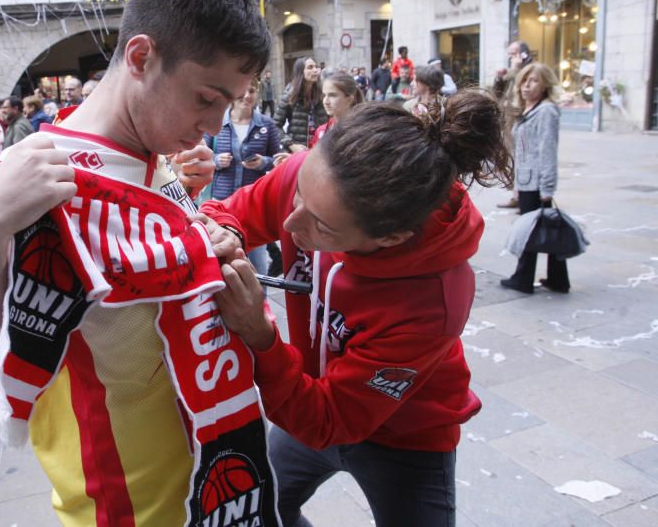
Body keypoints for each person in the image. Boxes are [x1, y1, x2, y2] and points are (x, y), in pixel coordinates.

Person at [0, 0, 282, 525]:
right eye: (205, 98)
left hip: (211, 491)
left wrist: (200, 234)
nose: (215, 125)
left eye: (228, 103)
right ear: (142, 58)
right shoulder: (33, 179)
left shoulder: (155, 153)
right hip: (119, 511)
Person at [202, 89, 514, 527]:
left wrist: (260, 336)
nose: (290, 226)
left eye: (322, 226)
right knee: (260, 507)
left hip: (406, 436)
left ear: (391, 238)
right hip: (306, 398)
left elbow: (332, 420)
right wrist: (224, 232)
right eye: (297, 197)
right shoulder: (315, 181)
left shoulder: (432, 300)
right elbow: (228, 211)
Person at [500, 63, 568, 295]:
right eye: (524, 80)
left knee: (531, 231)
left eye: (534, 81)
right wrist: (517, 185)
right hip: (527, 181)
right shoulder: (529, 109)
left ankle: (523, 279)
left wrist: (547, 188)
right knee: (545, 229)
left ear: (546, 84)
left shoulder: (546, 111)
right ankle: (558, 279)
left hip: (537, 183)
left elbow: (547, 150)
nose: (526, 86)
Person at [205, 77, 281, 276]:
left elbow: (277, 159)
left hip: (252, 208)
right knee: (222, 268)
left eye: (253, 92)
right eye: (243, 91)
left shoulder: (266, 124)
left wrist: (263, 162)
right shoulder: (217, 121)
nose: (247, 96)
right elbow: (201, 153)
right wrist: (215, 160)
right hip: (222, 204)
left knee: (257, 270)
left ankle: (261, 305)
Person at [493, 41, 532, 210]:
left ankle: (524, 195)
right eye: (509, 55)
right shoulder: (510, 72)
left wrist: (515, 70)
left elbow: (524, 89)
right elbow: (497, 94)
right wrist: (499, 78)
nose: (511, 58)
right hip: (508, 119)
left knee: (522, 156)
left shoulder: (530, 71)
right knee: (511, 157)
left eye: (513, 54)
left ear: (523, 55)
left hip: (522, 118)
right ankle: (517, 194)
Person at [274, 57, 328, 154]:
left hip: (321, 151)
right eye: (310, 67)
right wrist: (291, 145)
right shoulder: (290, 95)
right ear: (300, 72)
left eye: (316, 67)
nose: (315, 70)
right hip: (299, 151)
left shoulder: (323, 94)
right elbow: (275, 125)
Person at [309, 73, 364, 149]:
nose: (325, 101)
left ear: (349, 99)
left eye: (332, 95)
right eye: (324, 95)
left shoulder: (362, 131)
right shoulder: (321, 131)